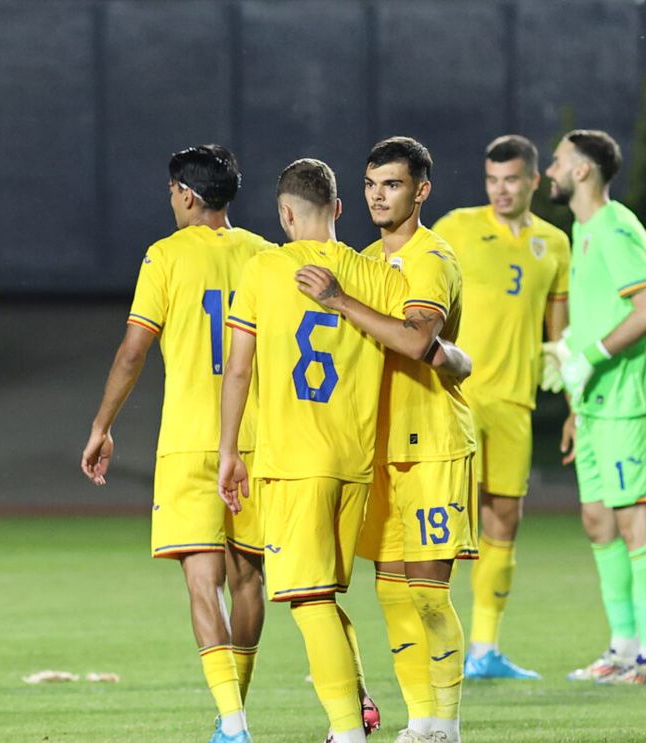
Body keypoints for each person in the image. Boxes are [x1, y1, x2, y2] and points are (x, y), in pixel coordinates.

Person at [220, 158, 418, 742]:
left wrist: (230, 450)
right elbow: (411, 339)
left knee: (306, 601)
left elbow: (238, 369)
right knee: (323, 595)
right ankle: (358, 709)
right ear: (338, 208)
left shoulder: (264, 270)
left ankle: (346, 732)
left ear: (284, 213)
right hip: (354, 464)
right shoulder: (375, 273)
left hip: (292, 462)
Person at [82, 145, 270, 743]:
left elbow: (134, 349)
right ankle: (232, 712)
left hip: (192, 440)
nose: (171, 201)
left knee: (200, 581)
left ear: (187, 194)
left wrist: (102, 425)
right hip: (256, 441)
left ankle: (233, 724)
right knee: (248, 581)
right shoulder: (267, 255)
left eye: (171, 192)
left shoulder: (165, 256)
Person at [301, 137, 476, 743]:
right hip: (380, 451)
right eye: (372, 185)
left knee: (430, 593)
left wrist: (340, 300)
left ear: (421, 191)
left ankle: (448, 726)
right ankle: (421, 721)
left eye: (393, 185)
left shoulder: (432, 259)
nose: (379, 195)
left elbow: (413, 340)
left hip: (430, 443)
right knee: (393, 593)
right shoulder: (365, 258)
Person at [431, 135, 570, 680]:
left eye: (511, 179)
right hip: (458, 398)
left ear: (533, 181)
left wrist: (573, 404)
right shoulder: (457, 227)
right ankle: (421, 646)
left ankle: (484, 650)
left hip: (515, 403)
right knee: (440, 524)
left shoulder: (555, 244)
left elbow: (557, 332)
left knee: (504, 520)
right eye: (492, 179)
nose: (501, 190)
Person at [544, 129, 646, 685]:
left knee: (635, 520)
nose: (549, 171)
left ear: (581, 171)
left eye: (556, 162)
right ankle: (621, 648)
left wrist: (589, 357)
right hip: (596, 406)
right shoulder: (583, 228)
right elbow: (596, 315)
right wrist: (576, 404)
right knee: (598, 521)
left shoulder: (618, 230)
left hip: (629, 402)